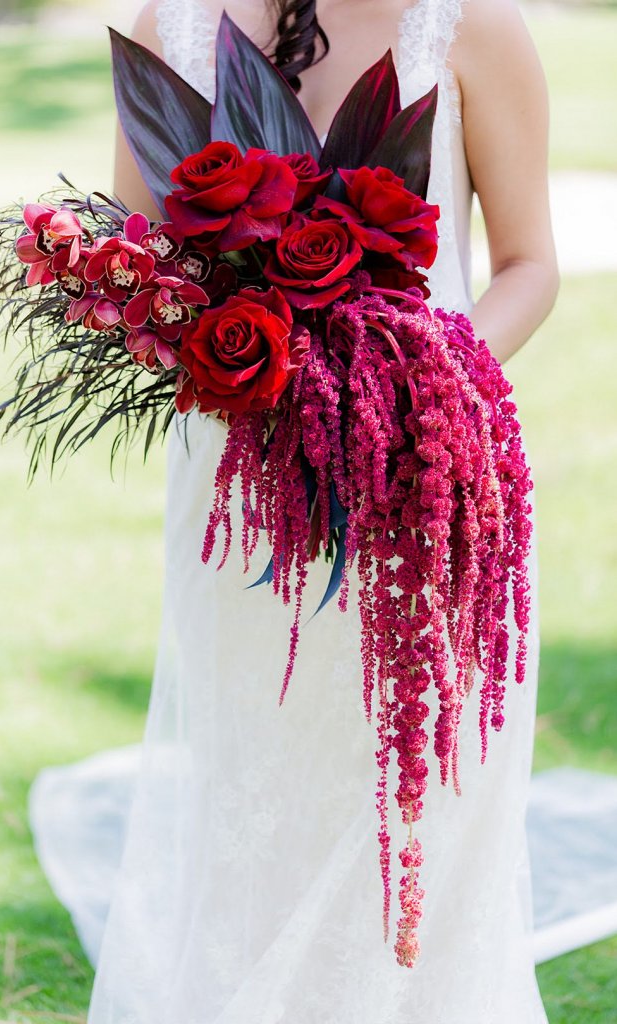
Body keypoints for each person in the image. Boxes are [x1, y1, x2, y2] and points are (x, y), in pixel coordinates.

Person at [86, 1, 559, 1021]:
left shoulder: (470, 27)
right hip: (245, 492)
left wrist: (424, 371)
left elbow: (529, 262)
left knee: (423, 799)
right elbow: (137, 276)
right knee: (257, 788)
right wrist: (213, 347)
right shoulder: (172, 26)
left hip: (419, 475)